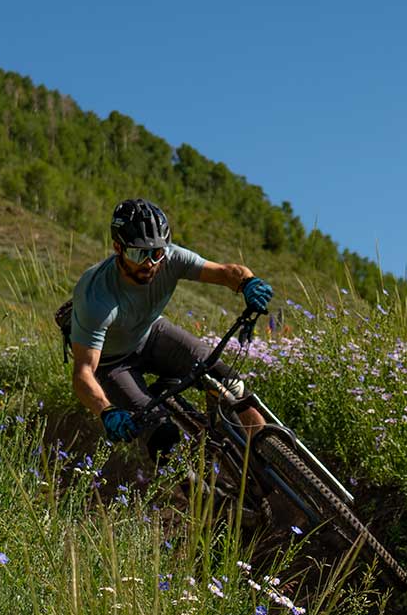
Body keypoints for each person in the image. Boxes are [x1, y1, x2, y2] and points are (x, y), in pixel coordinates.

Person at [71, 198, 272, 464]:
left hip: (151, 334)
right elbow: (83, 372)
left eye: (157, 253)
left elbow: (226, 272)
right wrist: (106, 411)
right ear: (117, 248)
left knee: (232, 384)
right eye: (138, 254)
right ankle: (194, 491)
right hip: (113, 363)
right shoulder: (96, 297)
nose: (150, 263)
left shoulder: (171, 258)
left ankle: (266, 459)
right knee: (162, 435)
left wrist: (248, 283)